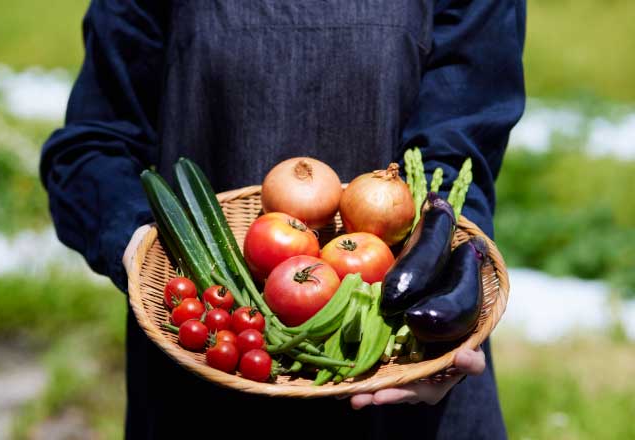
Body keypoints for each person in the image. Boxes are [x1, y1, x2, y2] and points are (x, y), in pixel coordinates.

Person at [40, 0, 525, 438]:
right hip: (212, 350)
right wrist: (141, 240)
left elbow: (457, 154)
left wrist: (448, 308)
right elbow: (92, 146)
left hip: (402, 373)